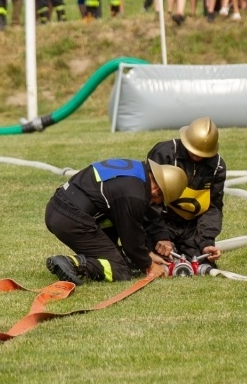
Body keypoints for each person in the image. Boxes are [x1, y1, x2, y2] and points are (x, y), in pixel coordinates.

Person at [44, 158, 188, 285]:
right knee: (120, 269)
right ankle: (73, 263)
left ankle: (91, 260)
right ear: (157, 189)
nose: (155, 203)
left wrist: (146, 254)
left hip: (59, 207)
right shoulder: (134, 194)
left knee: (123, 257)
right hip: (70, 219)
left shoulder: (136, 170)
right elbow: (131, 239)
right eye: (160, 201)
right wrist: (149, 264)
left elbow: (131, 223)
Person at [146, 117, 225, 268]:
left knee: (202, 263)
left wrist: (206, 242)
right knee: (160, 259)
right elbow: (149, 199)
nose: (198, 157)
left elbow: (213, 207)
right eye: (194, 151)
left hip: (190, 227)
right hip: (161, 220)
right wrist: (160, 235)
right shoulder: (164, 154)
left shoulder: (217, 167)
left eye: (204, 154)